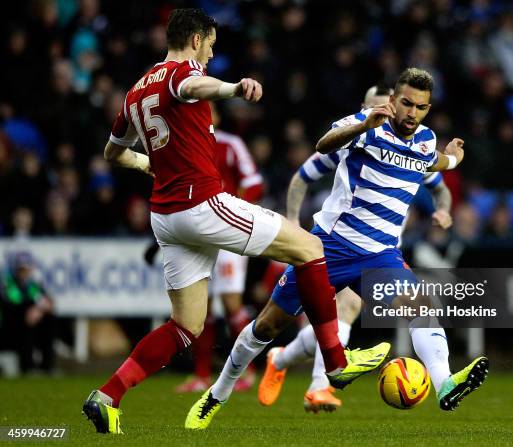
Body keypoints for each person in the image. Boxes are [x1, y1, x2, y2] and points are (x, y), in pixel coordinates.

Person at [82, 8, 390, 435]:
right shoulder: (182, 71)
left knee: (186, 326)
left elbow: (112, 153)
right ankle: (336, 362)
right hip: (202, 204)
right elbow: (192, 83)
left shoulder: (135, 91)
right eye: (209, 45)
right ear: (196, 40)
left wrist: (145, 163)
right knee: (310, 248)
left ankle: (108, 395)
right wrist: (231, 87)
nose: (210, 54)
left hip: (166, 216)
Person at [193, 68, 488, 430]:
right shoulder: (368, 123)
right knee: (267, 325)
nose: (412, 113)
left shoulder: (425, 140)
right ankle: (218, 392)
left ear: (428, 109)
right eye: (407, 103)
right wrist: (361, 128)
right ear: (393, 100)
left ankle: (445, 384)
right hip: (329, 248)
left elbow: (436, 163)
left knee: (421, 307)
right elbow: (324, 144)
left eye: (421, 107)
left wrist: (454, 157)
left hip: (380, 255)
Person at [265, 84, 453, 413]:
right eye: (378, 108)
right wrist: (294, 222)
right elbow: (301, 177)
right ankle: (314, 383)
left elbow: (441, 186)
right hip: (340, 242)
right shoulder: (349, 142)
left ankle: (286, 363)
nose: (390, 114)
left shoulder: (414, 148)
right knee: (334, 316)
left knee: (344, 316)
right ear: (364, 108)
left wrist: (444, 210)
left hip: (382, 251)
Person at [175, 102, 263, 393]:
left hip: (228, 231)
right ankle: (202, 376)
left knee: (231, 304)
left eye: (209, 107)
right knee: (201, 309)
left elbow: (253, 182)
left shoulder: (230, 144)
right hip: (199, 235)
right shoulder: (187, 144)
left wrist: (236, 212)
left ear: (218, 115)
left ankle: (247, 371)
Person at [0, 251, 56, 373]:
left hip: (30, 320)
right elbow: (15, 304)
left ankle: (47, 366)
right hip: (10, 324)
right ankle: (28, 365)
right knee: (27, 320)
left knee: (49, 319)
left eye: (26, 269)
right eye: (22, 269)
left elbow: (49, 302)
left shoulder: (33, 284)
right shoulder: (8, 284)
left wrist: (38, 311)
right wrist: (34, 310)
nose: (24, 272)